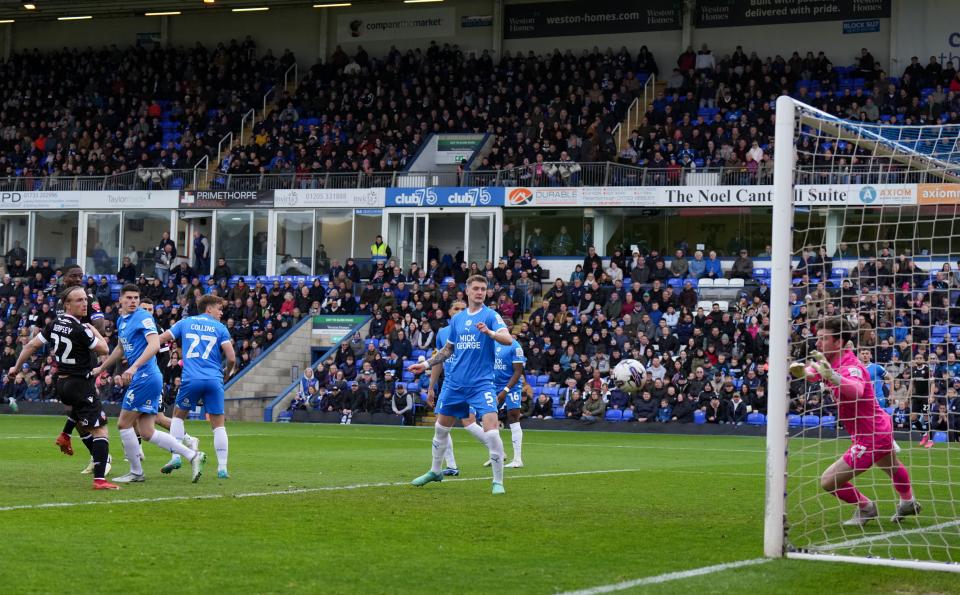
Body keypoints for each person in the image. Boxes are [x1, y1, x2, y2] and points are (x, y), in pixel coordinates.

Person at [791, 316, 920, 525]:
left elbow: (857, 389)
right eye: (818, 337)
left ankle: (866, 507)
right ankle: (908, 501)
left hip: (871, 435)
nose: (817, 342)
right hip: (877, 427)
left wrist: (833, 377)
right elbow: (812, 373)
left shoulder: (851, 366)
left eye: (823, 338)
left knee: (828, 481)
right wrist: (800, 371)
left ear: (838, 342)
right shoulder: (828, 360)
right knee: (891, 466)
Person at [409, 275, 513, 495]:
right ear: (467, 291)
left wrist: (490, 333)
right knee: (440, 428)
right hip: (455, 384)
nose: (480, 292)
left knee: (492, 432)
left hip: (481, 384)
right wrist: (426, 364)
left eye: (483, 289)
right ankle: (436, 471)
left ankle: (498, 482)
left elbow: (508, 339)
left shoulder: (491, 316)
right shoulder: (457, 320)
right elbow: (447, 350)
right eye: (476, 288)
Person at [8, 286, 117, 489]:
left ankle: (65, 435)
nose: (84, 303)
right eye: (78, 300)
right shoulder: (81, 328)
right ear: (66, 305)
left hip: (61, 383)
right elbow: (104, 349)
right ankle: (100, 480)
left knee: (81, 416)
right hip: (80, 382)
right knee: (100, 429)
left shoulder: (55, 324)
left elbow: (31, 346)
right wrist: (94, 330)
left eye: (85, 300)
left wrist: (15, 366)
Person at [96, 284, 206, 483]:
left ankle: (136, 472)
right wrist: (101, 368)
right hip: (145, 376)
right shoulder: (122, 320)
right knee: (147, 432)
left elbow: (155, 345)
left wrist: (134, 367)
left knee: (123, 424)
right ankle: (192, 455)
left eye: (136, 298)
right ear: (120, 299)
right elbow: (120, 349)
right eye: (128, 298)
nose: (132, 301)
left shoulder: (143, 317)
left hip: (145, 376)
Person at [155, 294, 236, 478]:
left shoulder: (185, 322)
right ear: (209, 309)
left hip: (191, 379)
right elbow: (231, 358)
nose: (222, 312)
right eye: (219, 308)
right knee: (218, 425)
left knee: (177, 417)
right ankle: (222, 468)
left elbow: (161, 339)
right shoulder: (220, 328)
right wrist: (227, 373)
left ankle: (176, 456)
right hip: (214, 379)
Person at [427, 300, 491, 476]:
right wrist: (431, 387)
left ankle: (496, 449)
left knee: (468, 422)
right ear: (449, 311)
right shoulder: (442, 332)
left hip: (470, 383)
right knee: (441, 425)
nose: (460, 311)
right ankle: (451, 466)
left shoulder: (476, 328)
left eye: (463, 309)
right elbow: (439, 359)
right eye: (456, 308)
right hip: (450, 384)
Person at [52, 264, 106, 460]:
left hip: (83, 357)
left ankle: (99, 457)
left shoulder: (88, 298)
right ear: (64, 277)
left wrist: (81, 331)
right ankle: (94, 453)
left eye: (80, 276)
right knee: (75, 407)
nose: (77, 279)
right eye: (73, 276)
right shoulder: (61, 301)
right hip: (66, 359)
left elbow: (100, 323)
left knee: (80, 408)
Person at [491, 334, 526, 467]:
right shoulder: (493, 343)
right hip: (493, 385)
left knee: (513, 417)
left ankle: (518, 459)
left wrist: (506, 390)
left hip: (511, 387)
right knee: (486, 417)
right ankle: (497, 454)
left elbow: (518, 371)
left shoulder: (515, 346)